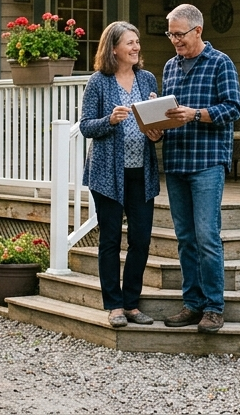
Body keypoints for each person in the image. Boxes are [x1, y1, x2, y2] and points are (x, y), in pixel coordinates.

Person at [158, 4, 240, 333]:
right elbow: (170, 113)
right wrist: (156, 122)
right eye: (171, 35)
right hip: (176, 160)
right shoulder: (170, 67)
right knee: (185, 238)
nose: (175, 40)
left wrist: (195, 114)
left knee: (207, 236)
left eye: (179, 34)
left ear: (198, 31)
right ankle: (191, 304)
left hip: (206, 161)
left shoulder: (220, 63)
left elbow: (233, 108)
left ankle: (213, 307)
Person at [78, 21, 161, 328]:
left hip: (142, 170)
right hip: (108, 174)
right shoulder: (99, 82)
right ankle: (113, 305)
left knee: (140, 240)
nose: (136, 47)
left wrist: (156, 133)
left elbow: (156, 124)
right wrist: (110, 120)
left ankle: (132, 304)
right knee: (111, 240)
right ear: (113, 48)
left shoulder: (147, 78)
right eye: (129, 43)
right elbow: (86, 126)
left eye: (137, 42)